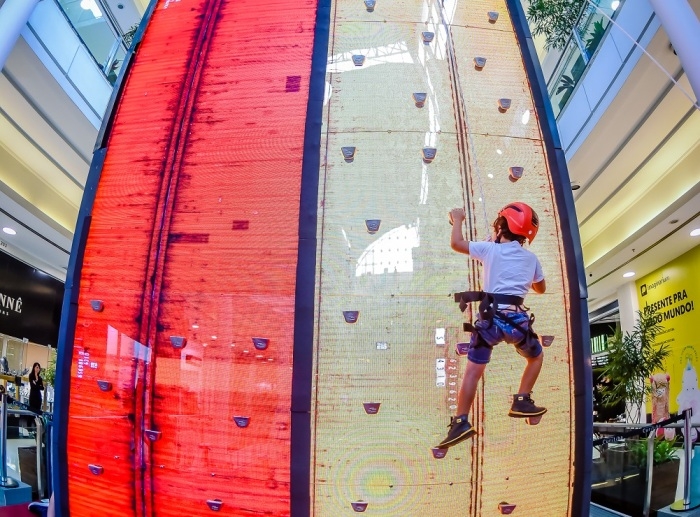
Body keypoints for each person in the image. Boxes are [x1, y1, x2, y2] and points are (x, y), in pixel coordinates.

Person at [437, 202, 547, 449]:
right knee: (535, 357)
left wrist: (457, 220)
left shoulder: (489, 250)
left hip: (490, 322)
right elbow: (540, 288)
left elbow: (456, 244)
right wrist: (521, 276)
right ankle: (522, 399)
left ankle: (461, 421)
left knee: (473, 373)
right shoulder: (531, 259)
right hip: (517, 325)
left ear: (501, 226)